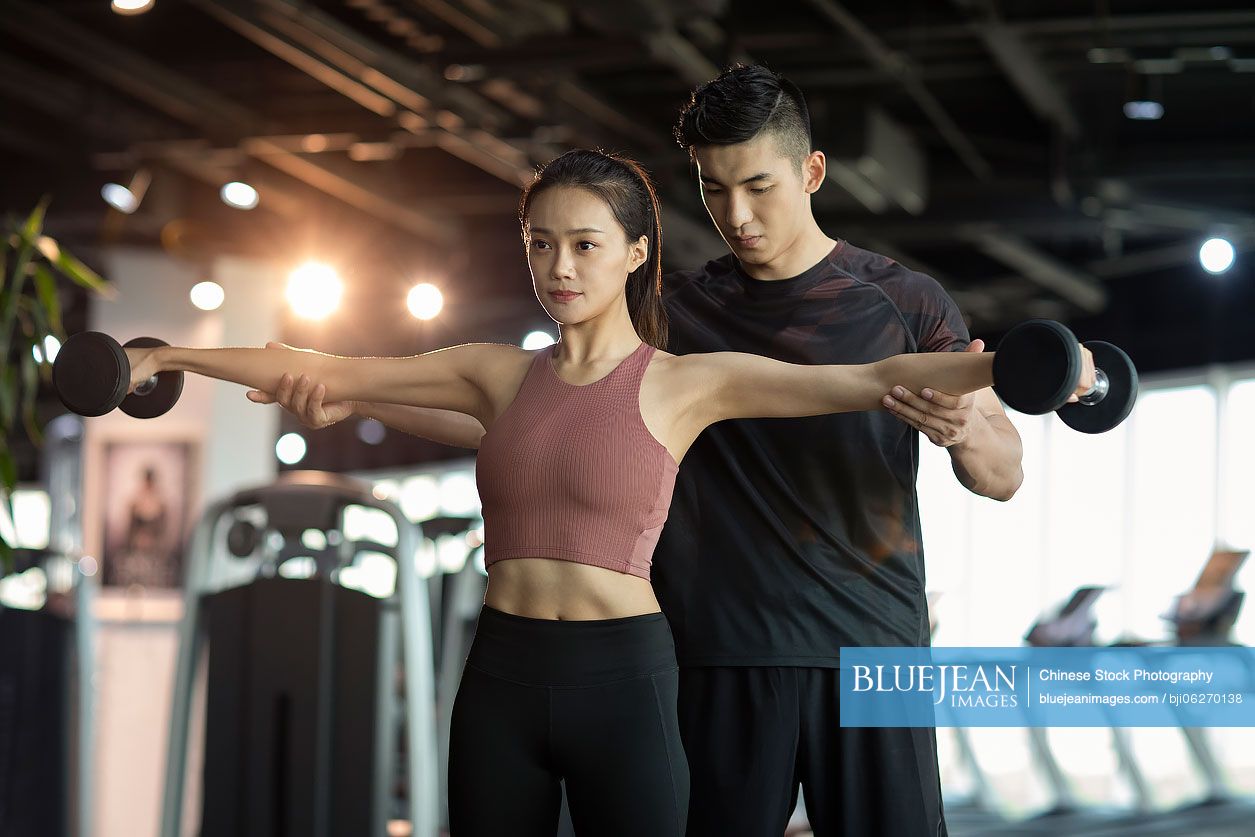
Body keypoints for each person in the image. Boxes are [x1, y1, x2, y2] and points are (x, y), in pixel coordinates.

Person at [251, 66, 1027, 835]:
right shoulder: (671, 316)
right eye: (714, 188)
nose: (737, 213)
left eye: (759, 186)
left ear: (811, 170)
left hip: (873, 649)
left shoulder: (906, 302)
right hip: (716, 650)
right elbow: (526, 422)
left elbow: (1001, 472)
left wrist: (962, 431)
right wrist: (357, 395)